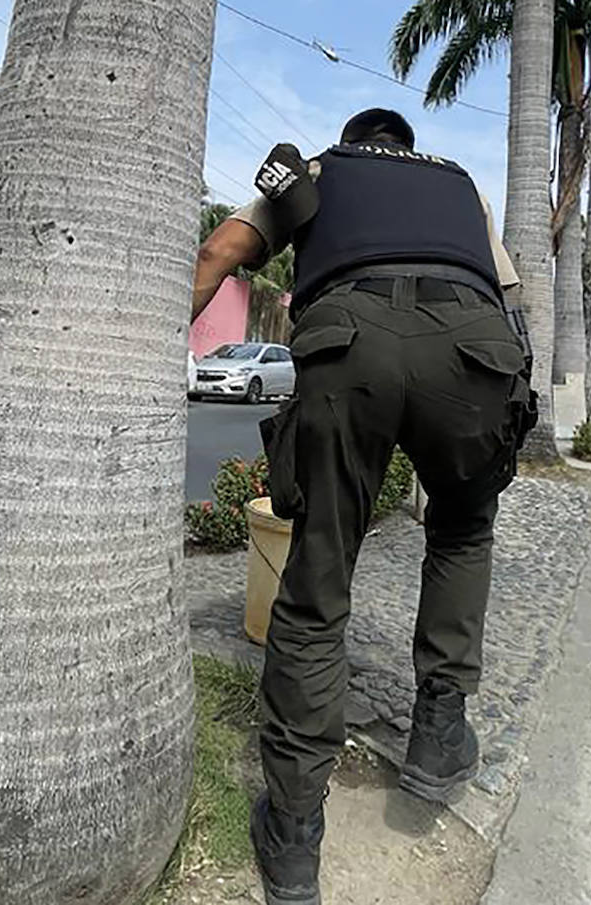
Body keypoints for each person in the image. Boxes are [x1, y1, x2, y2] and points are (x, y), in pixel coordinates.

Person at [191, 109, 535, 905]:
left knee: (318, 578)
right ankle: (440, 730)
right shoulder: (461, 186)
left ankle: (294, 834)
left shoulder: (317, 170)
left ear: (353, 139)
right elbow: (509, 296)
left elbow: (220, 252)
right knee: (461, 527)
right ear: (408, 149)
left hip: (351, 344)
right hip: (475, 350)